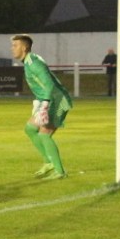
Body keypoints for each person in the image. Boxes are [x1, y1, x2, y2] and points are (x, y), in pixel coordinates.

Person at [11, 34, 72, 181]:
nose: (12, 48)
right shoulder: (29, 61)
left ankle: (60, 171)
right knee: (30, 128)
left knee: (44, 133)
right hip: (50, 100)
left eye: (15, 45)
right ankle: (49, 162)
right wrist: (38, 103)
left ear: (24, 48)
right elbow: (41, 86)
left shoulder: (33, 63)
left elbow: (49, 84)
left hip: (58, 100)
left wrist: (44, 104)